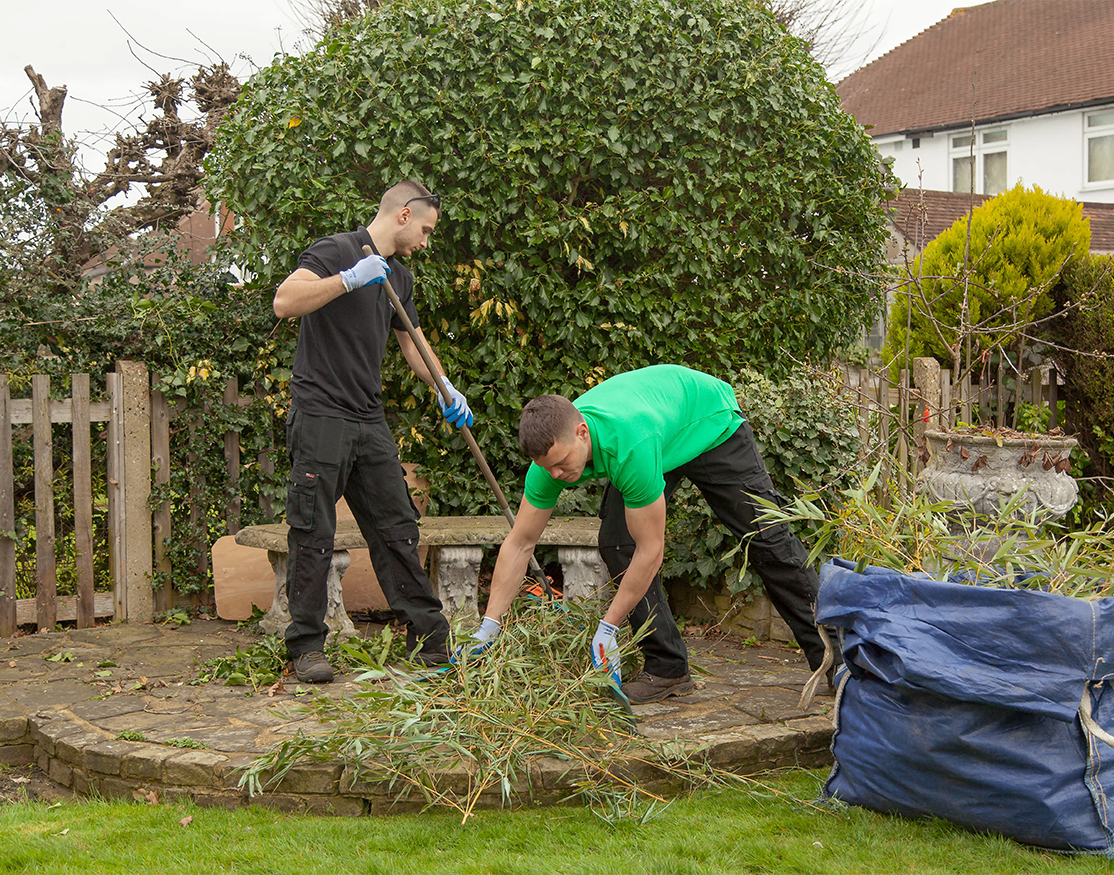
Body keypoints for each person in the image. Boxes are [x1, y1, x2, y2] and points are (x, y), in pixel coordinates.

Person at [469, 364, 826, 704]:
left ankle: (836, 658)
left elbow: (652, 549)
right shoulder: (547, 466)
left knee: (768, 539)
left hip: (707, 422)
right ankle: (667, 667)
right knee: (618, 544)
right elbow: (520, 543)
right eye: (550, 468)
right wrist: (489, 623)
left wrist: (608, 627)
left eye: (563, 463)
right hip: (658, 432)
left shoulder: (629, 446)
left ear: (582, 432)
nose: (558, 474)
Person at [272, 180, 473, 683]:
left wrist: (446, 387)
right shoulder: (337, 250)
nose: (426, 242)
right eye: (425, 229)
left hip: (368, 419)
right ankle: (307, 647)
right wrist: (348, 279)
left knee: (398, 527)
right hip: (320, 414)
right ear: (403, 215)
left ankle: (430, 641)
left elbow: (416, 350)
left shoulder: (399, 279)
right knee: (313, 531)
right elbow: (285, 301)